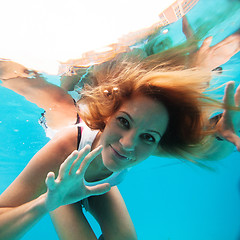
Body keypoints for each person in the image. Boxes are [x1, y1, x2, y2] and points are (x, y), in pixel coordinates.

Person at [0, 51, 240, 239]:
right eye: (123, 122)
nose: (128, 144)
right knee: (61, 101)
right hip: (61, 182)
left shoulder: (145, 139)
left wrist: (219, 134)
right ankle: (71, 71)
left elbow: (207, 151)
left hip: (95, 182)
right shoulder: (66, 146)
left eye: (149, 137)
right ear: (107, 118)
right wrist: (46, 202)